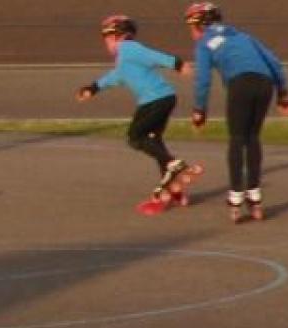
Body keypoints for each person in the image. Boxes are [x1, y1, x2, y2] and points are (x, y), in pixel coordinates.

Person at [75, 14, 200, 214]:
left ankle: (174, 164)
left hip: (155, 100)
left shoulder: (129, 48)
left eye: (107, 38)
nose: (106, 43)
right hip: (162, 99)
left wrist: (177, 64)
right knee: (154, 141)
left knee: (135, 137)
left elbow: (155, 56)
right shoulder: (124, 58)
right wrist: (93, 88)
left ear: (117, 36)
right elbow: (116, 76)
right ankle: (173, 190)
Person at [186, 2, 288, 222]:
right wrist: (283, 94)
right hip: (264, 83)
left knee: (237, 139)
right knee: (252, 137)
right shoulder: (242, 36)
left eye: (191, 27)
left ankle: (236, 197)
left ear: (199, 25)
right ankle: (255, 196)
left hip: (240, 84)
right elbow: (274, 62)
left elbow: (203, 80)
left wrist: (199, 110)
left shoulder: (204, 43)